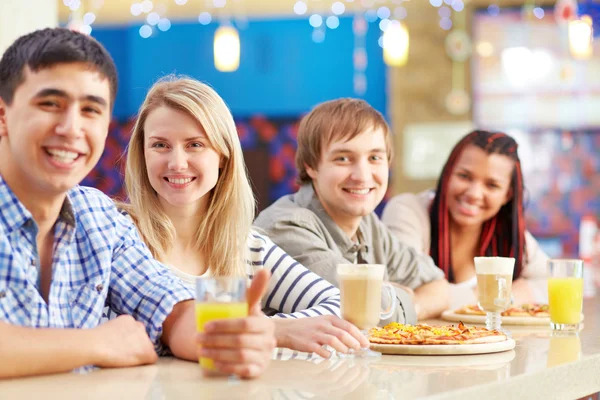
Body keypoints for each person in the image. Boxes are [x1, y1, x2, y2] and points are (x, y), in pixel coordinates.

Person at [0, 28, 274, 379]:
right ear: (3, 114)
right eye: (50, 104)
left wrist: (226, 339)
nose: (71, 128)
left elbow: (170, 309)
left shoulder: (99, 218)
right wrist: (95, 343)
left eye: (91, 110)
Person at [120, 76, 369, 358]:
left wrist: (263, 331)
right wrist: (268, 332)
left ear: (223, 156)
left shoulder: (248, 247)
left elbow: (337, 303)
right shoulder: (119, 239)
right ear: (142, 154)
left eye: (195, 145)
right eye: (160, 145)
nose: (177, 162)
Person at [254, 98, 449, 323]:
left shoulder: (367, 223)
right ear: (311, 166)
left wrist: (404, 302)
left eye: (375, 158)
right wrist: (402, 298)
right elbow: (364, 313)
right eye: (343, 159)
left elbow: (439, 287)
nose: (362, 176)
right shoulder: (285, 227)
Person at [381, 130, 548, 308]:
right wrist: (493, 297)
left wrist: (505, 296)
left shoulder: (507, 232)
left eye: (492, 185)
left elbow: (553, 283)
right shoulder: (408, 211)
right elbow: (402, 294)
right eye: (464, 176)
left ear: (507, 195)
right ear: (447, 175)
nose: (474, 194)